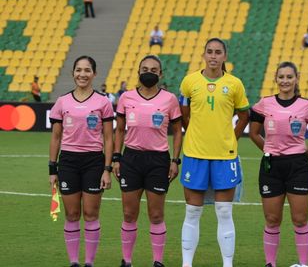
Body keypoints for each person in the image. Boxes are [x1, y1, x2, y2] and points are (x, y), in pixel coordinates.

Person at [178, 37, 250, 267]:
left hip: (224, 156)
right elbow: (184, 114)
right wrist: (195, 133)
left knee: (224, 211)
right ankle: (187, 264)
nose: (213, 56)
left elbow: (245, 114)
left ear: (224, 56)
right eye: (209, 51)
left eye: (218, 52)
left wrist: (232, 137)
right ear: (203, 54)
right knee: (192, 212)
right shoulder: (189, 82)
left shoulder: (235, 84)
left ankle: (227, 264)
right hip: (195, 154)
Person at [249, 62, 308, 267]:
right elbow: (254, 132)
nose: (285, 81)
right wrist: (267, 150)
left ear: (296, 78)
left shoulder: (307, 105)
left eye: (289, 77)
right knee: (272, 219)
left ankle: (303, 263)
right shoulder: (264, 103)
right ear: (275, 78)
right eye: (281, 76)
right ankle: (270, 263)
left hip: (297, 166)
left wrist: (304, 155)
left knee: (300, 219)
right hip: (271, 166)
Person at [113, 55, 182, 267]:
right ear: (138, 72)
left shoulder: (169, 99)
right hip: (131, 158)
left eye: (153, 69)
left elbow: (178, 131)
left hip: (158, 160)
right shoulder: (126, 98)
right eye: (145, 68)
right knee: (129, 213)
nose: (149, 72)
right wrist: (116, 158)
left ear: (160, 74)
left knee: (156, 213)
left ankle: (158, 261)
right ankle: (127, 260)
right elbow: (120, 130)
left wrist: (175, 160)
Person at [49, 56, 114, 267]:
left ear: (94, 74)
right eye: (78, 70)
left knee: (91, 213)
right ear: (73, 73)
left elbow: (108, 138)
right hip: (68, 161)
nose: (82, 74)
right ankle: (74, 262)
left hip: (93, 162)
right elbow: (56, 138)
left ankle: (89, 262)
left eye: (87, 70)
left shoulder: (103, 102)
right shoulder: (62, 101)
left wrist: (107, 169)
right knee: (72, 213)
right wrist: (52, 169)